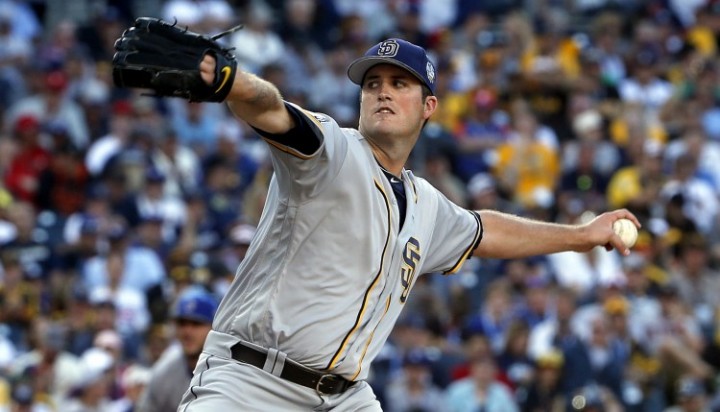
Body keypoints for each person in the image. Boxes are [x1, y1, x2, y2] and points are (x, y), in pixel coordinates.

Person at [132, 36, 638, 411]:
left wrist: (580, 236)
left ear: (429, 107)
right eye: (373, 83)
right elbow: (275, 112)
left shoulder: (427, 204)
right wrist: (230, 81)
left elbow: (486, 232)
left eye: (400, 83)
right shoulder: (332, 152)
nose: (382, 92)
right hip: (251, 381)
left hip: (345, 397)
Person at [137, 289, 218, 412]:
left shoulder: (228, 366)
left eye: (196, 324)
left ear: (213, 327)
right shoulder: (163, 371)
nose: (187, 332)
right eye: (182, 323)